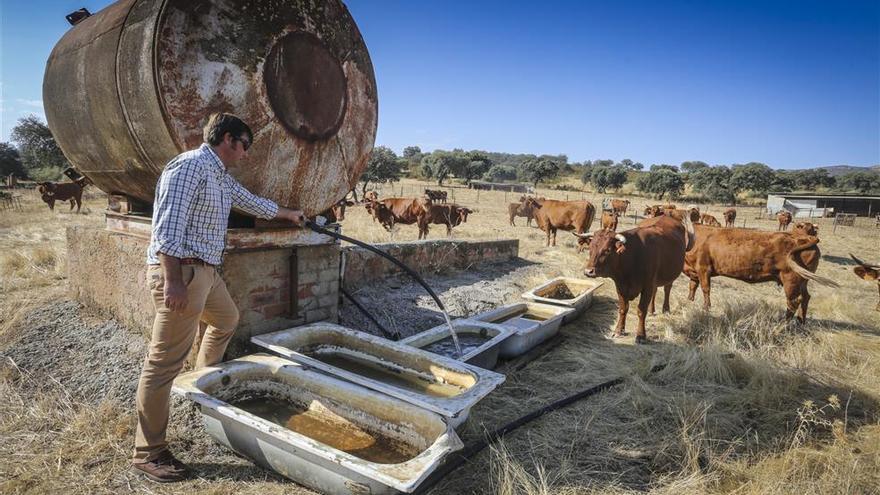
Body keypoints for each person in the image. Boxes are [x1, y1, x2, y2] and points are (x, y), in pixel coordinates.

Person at [131, 113, 304, 482]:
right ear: (228, 139)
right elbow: (167, 230)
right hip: (184, 274)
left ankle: (197, 385)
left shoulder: (220, 176)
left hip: (206, 274)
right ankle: (149, 452)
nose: (247, 153)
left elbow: (253, 202)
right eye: (246, 145)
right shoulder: (189, 167)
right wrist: (173, 281)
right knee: (162, 363)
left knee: (226, 320)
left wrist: (289, 214)